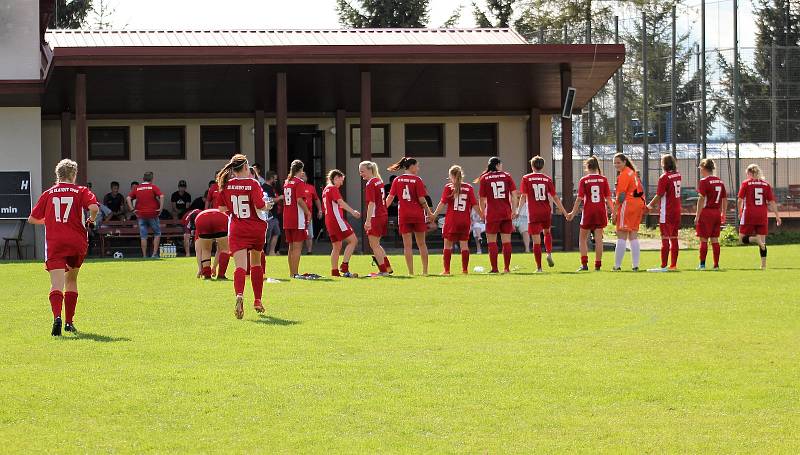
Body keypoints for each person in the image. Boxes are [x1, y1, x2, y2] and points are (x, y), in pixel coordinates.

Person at [27, 159, 99, 336]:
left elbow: (32, 219)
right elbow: (94, 207)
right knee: (72, 280)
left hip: (55, 242)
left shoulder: (49, 193)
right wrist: (91, 219)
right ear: (73, 175)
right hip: (76, 241)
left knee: (56, 283)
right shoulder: (81, 190)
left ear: (57, 175)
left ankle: (57, 318)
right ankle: (69, 322)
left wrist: (48, 220)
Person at [217, 154, 271, 318]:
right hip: (255, 228)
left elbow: (221, 209)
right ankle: (257, 300)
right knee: (256, 264)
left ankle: (239, 295)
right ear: (246, 168)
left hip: (237, 228)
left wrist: (235, 210)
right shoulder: (253, 183)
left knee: (240, 266)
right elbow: (260, 205)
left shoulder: (226, 184)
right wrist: (267, 206)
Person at [518, 156, 569, 273]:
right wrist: (565, 212)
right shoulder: (547, 179)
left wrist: (518, 211)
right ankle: (549, 253)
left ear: (532, 166)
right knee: (547, 233)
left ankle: (539, 268)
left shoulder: (526, 178)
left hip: (533, 212)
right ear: (542, 166)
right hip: (546, 210)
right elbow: (555, 197)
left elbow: (523, 196)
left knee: (536, 241)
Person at [385, 157, 434, 275]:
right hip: (417, 215)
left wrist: (382, 210)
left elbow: (390, 198)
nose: (418, 168)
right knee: (421, 244)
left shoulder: (397, 180)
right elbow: (422, 199)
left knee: (407, 246)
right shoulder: (417, 180)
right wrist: (429, 212)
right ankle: (425, 272)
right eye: (417, 166)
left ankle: (411, 272)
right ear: (411, 167)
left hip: (404, 215)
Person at [430, 165, 479, 275]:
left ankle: (446, 270)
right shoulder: (469, 187)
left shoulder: (448, 187)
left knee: (447, 245)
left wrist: (434, 215)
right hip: (465, 220)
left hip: (452, 220)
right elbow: (475, 205)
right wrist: (483, 215)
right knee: (464, 245)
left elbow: (442, 203)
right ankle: (465, 270)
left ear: (451, 176)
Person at [567, 156, 613, 271]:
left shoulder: (584, 180)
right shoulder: (604, 179)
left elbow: (579, 198)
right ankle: (597, 265)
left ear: (587, 167)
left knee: (582, 238)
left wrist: (573, 212)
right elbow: (608, 198)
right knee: (598, 239)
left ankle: (584, 264)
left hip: (588, 211)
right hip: (600, 211)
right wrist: (613, 211)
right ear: (597, 166)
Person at [476, 156, 518, 273]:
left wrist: (482, 212)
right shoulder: (507, 176)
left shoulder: (484, 178)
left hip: (492, 214)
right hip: (505, 212)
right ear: (498, 165)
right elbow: (514, 195)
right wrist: (514, 210)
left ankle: (494, 269)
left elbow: (481, 198)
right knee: (506, 241)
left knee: (492, 242)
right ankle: (506, 268)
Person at [737, 163, 781, 269]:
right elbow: (772, 202)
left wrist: (740, 212)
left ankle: (754, 239)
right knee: (763, 241)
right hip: (762, 215)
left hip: (749, 214)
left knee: (742, 239)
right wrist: (777, 216)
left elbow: (740, 200)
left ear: (750, 173)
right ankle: (763, 265)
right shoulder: (766, 184)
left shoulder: (746, 183)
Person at [646, 154, 683, 271]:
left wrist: (649, 205)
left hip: (667, 211)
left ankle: (663, 266)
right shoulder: (677, 175)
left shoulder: (664, 177)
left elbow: (659, 194)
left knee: (665, 238)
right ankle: (673, 265)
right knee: (674, 237)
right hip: (677, 210)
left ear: (664, 164)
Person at [322, 170, 362, 277]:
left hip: (329, 221)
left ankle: (334, 271)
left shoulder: (326, 189)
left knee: (336, 246)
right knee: (353, 241)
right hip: (337, 220)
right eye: (341, 180)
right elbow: (340, 202)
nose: (342, 183)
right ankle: (344, 266)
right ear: (336, 178)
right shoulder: (332, 188)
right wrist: (353, 212)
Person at [611, 153, 646, 272]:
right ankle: (635, 265)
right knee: (633, 235)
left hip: (629, 204)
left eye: (618, 162)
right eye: (614, 163)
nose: (616, 165)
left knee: (621, 234)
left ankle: (616, 266)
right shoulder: (633, 173)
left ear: (624, 162)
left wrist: (614, 212)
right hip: (638, 204)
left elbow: (621, 195)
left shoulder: (624, 174)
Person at [359, 161, 392, 275]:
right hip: (383, 215)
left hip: (376, 216)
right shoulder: (379, 181)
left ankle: (383, 270)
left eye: (362, 171)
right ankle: (387, 268)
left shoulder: (370, 183)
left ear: (369, 170)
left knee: (374, 245)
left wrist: (367, 221)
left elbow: (371, 203)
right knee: (377, 244)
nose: (361, 174)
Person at [695, 159, 727, 270]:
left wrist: (697, 215)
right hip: (716, 213)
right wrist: (723, 212)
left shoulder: (704, 181)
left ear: (704, 168)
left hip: (706, 212)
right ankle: (716, 265)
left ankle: (702, 265)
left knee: (703, 239)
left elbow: (701, 198)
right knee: (715, 239)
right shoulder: (720, 181)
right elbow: (724, 198)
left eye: (701, 169)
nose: (700, 171)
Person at [283, 160, 313, 279]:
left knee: (291, 247)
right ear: (300, 170)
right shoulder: (299, 182)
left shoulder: (287, 182)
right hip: (297, 218)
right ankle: (295, 273)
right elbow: (299, 200)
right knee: (297, 247)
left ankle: (292, 273)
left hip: (287, 218)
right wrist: (308, 212)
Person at [126, 171, 164, 258]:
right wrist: (161, 208)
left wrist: (132, 209)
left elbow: (128, 198)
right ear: (152, 179)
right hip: (152, 214)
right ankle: (154, 254)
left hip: (141, 215)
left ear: (143, 179)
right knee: (157, 233)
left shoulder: (137, 188)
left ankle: (144, 255)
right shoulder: (153, 187)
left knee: (143, 236)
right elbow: (161, 196)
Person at [187, 208, 232, 280]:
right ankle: (221, 275)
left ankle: (207, 275)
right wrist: (214, 267)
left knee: (206, 250)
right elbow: (219, 250)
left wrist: (200, 268)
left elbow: (198, 251)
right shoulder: (225, 214)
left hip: (201, 219)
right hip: (220, 218)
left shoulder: (199, 217)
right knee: (225, 249)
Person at [261, 170, 283, 256]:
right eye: (275, 179)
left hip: (274, 215)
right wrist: (279, 198)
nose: (276, 181)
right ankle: (265, 253)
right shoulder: (265, 188)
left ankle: (271, 252)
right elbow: (269, 200)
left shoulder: (272, 188)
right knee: (267, 236)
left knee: (277, 233)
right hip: (268, 216)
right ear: (271, 178)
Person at [302, 175, 323, 255]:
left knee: (309, 233)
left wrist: (320, 210)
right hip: (299, 214)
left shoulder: (311, 187)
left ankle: (309, 251)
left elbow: (316, 199)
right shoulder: (296, 187)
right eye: (302, 175)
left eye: (305, 175)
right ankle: (298, 251)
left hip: (308, 214)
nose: (304, 177)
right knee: (299, 234)